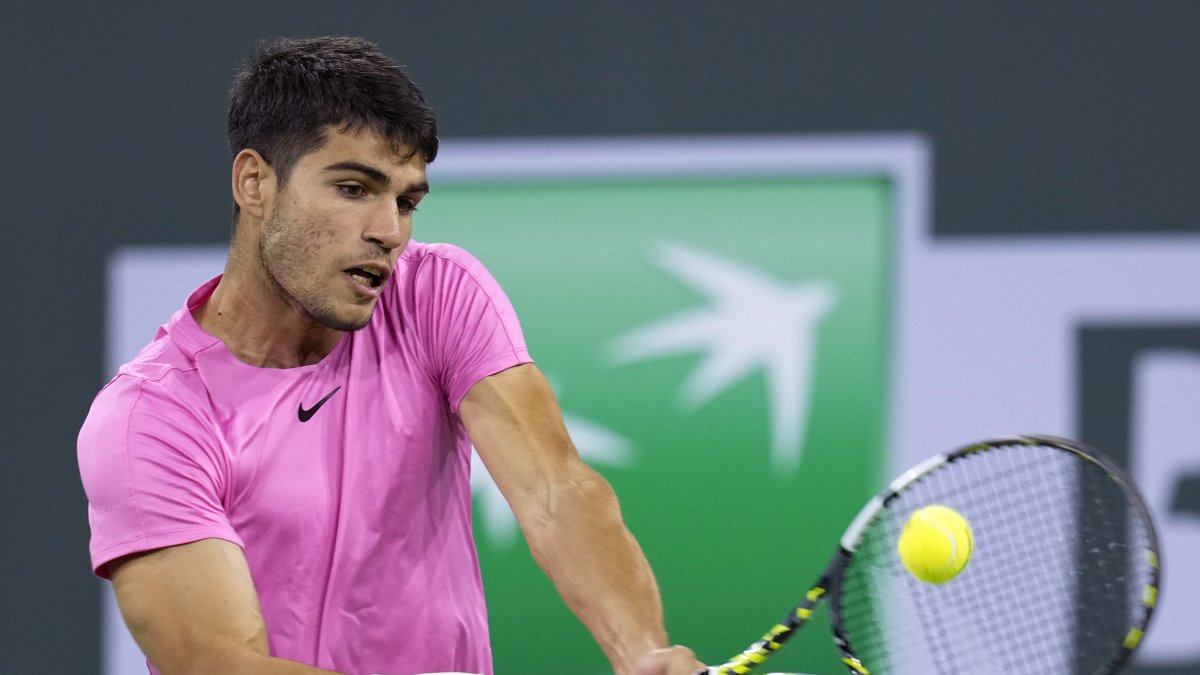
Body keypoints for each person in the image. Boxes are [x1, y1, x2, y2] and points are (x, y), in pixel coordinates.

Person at [77, 36, 705, 675]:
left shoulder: (437, 295)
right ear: (254, 183)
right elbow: (220, 664)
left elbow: (554, 489)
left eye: (407, 201)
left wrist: (641, 651)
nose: (389, 232)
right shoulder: (148, 421)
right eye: (354, 188)